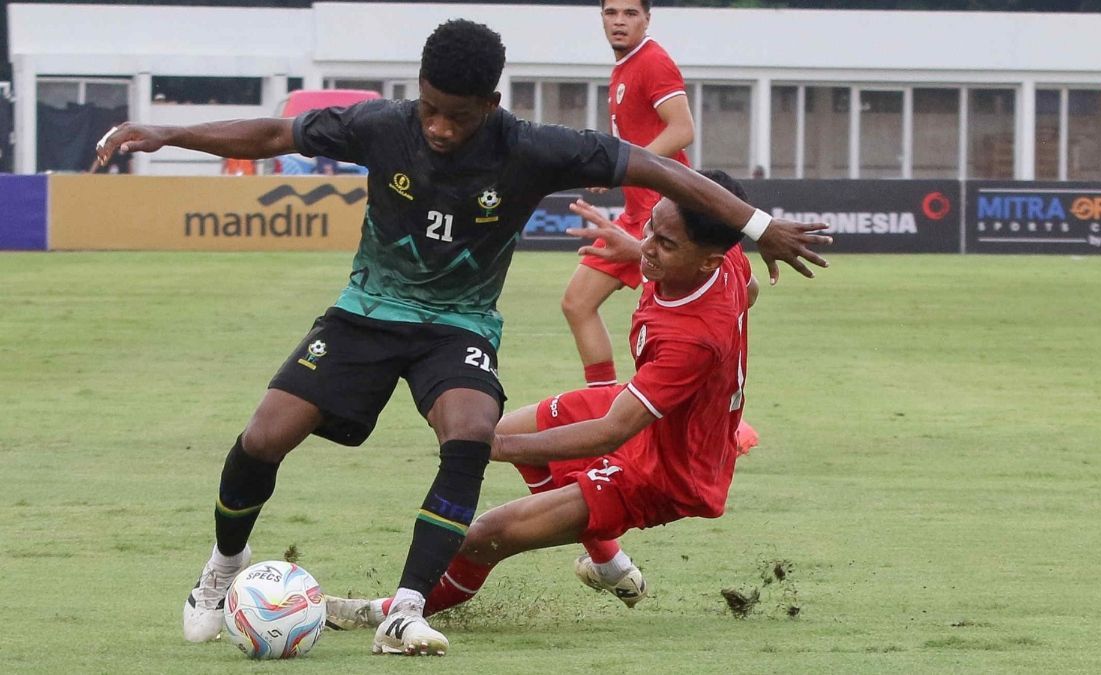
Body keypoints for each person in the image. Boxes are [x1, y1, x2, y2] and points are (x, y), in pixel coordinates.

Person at [94, 19, 830, 658]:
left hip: (466, 329)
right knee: (263, 437)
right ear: (418, 90)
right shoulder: (383, 125)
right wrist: (166, 133)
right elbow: (275, 132)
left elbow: (660, 164)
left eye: (459, 117)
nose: (440, 128)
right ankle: (225, 563)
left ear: (493, 107)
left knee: (475, 438)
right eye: (432, 110)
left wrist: (760, 226)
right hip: (368, 311)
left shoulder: (533, 149)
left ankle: (406, 608)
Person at [323, 170, 770, 628]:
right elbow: (748, 291)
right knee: (507, 429)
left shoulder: (692, 340)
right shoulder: (725, 260)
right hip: (650, 412)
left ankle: (382, 612)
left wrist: (492, 451)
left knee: (484, 535)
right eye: (651, 227)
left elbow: (611, 432)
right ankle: (610, 564)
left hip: (666, 469)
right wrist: (642, 250)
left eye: (666, 244)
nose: (649, 244)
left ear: (710, 262)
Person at [562, 0, 694, 391]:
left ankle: (709, 422)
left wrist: (625, 166)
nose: (619, 21)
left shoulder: (653, 61)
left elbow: (682, 130)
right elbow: (638, 143)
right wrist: (617, 172)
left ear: (647, 19)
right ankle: (603, 404)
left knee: (664, 331)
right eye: (611, 12)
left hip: (667, 217)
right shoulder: (624, 67)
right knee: (577, 303)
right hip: (636, 215)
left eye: (630, 13)